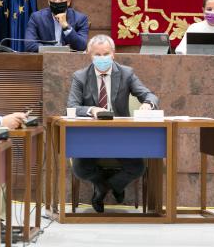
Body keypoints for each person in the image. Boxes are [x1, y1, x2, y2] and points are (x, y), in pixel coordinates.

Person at [67, 34, 159, 213]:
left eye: (106, 54)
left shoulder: (126, 73)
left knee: (137, 167)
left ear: (113, 54)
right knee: (80, 168)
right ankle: (101, 184)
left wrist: (148, 104)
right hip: (90, 135)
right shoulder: (80, 77)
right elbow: (71, 107)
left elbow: (150, 95)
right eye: (97, 55)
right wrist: (91, 110)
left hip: (121, 135)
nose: (102, 58)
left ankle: (111, 186)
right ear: (89, 54)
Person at [24, 0, 89, 52]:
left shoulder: (80, 19)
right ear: (49, 1)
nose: (57, 1)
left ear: (68, 1)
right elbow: (29, 45)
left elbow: (82, 46)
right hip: (44, 60)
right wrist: (59, 49)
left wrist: (66, 26)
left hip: (69, 61)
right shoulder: (37, 17)